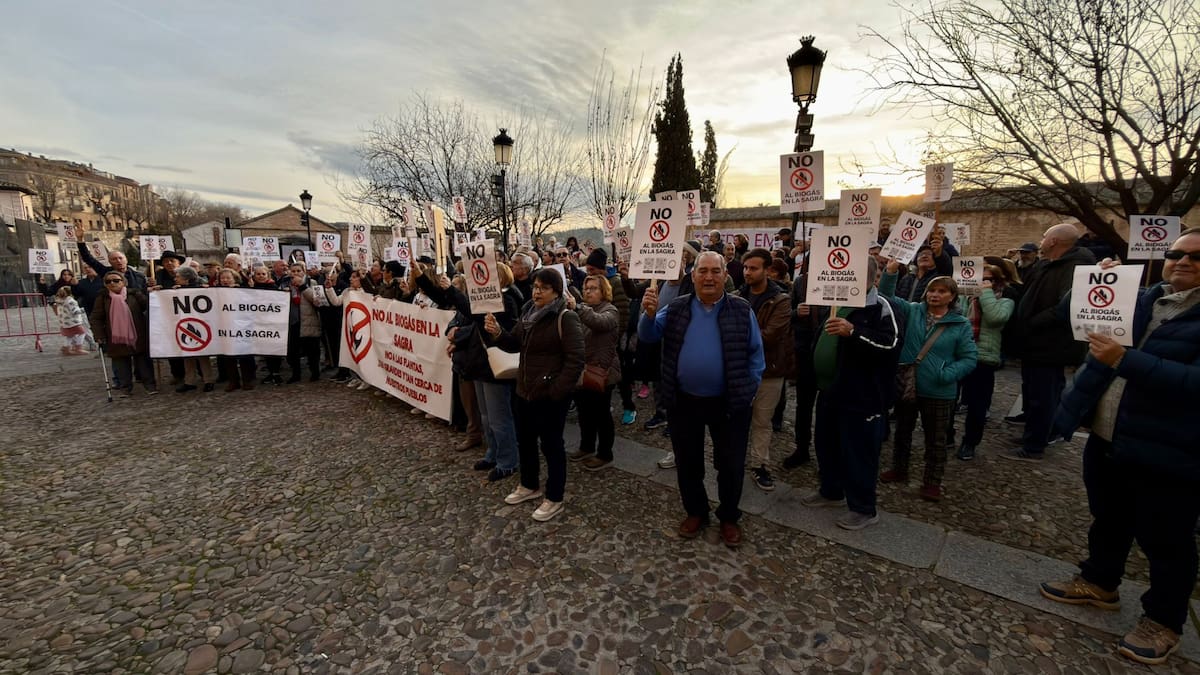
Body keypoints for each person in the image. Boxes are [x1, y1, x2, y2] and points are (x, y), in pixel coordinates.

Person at [1040, 230, 1200, 666]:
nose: (1182, 262)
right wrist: (1100, 284)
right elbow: (1083, 322)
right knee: (1109, 517)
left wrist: (1125, 360)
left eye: (1195, 257)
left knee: (1166, 539)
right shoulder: (1143, 299)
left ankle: (1164, 621)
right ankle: (1100, 581)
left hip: (1171, 446)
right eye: (1175, 254)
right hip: (1112, 433)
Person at [638, 251, 765, 548]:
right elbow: (648, 335)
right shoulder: (678, 307)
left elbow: (756, 355)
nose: (709, 277)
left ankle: (729, 516)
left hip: (729, 403)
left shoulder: (741, 309)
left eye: (715, 271)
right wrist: (648, 313)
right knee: (688, 462)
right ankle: (696, 511)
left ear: (725, 275)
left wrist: (749, 389)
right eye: (702, 271)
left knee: (731, 464)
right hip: (685, 402)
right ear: (692, 276)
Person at [800, 256, 899, 529]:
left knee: (859, 452)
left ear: (869, 278)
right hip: (830, 390)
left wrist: (854, 332)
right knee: (827, 443)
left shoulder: (881, 307)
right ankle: (831, 491)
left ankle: (864, 507)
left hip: (862, 396)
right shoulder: (836, 303)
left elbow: (889, 346)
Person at [484, 269, 585, 522]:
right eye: (535, 286)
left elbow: (576, 360)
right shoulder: (528, 313)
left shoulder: (566, 317)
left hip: (549, 396)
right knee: (525, 441)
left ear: (556, 291)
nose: (536, 292)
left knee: (552, 446)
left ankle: (554, 497)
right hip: (525, 391)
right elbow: (514, 343)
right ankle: (529, 485)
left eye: (543, 288)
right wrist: (497, 333)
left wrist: (556, 390)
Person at [879, 265, 978, 501]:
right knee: (903, 430)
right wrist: (890, 272)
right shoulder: (913, 311)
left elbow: (969, 358)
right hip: (908, 384)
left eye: (942, 291)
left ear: (952, 296)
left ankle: (932, 481)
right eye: (932, 290)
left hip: (939, 390)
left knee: (936, 439)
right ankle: (899, 469)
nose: (935, 295)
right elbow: (887, 296)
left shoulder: (960, 324)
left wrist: (946, 374)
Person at [1001, 223, 1095, 461]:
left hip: (1050, 344)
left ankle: (1034, 446)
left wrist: (1033, 321)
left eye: (1045, 237)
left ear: (1054, 241)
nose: (1041, 240)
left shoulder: (1075, 267)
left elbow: (1066, 305)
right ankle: (1035, 434)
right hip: (1036, 343)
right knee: (1035, 392)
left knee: (1044, 395)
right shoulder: (1051, 264)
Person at [737, 248, 793, 492]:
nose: (748, 272)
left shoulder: (781, 300)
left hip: (769, 370)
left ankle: (759, 465)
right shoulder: (738, 295)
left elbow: (769, 336)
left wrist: (734, 336)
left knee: (762, 420)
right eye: (746, 268)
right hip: (739, 369)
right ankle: (734, 461)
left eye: (753, 268)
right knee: (737, 419)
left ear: (768, 270)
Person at [954, 265, 1015, 460]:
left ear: (996, 282)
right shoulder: (965, 298)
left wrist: (985, 293)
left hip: (983, 357)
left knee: (977, 405)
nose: (982, 282)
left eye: (988, 279)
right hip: (958, 353)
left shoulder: (1005, 301)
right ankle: (946, 435)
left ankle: (970, 442)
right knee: (948, 398)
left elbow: (996, 318)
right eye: (981, 278)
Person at [567, 274, 621, 471]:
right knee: (584, 413)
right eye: (586, 288)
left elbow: (600, 322)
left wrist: (579, 307)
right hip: (582, 370)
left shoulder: (610, 310)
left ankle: (605, 454)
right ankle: (586, 446)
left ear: (604, 291)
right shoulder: (584, 310)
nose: (588, 291)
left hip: (602, 372)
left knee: (601, 415)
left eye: (593, 288)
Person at [91, 272, 157, 396]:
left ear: (123, 282)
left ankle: (150, 385)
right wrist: (99, 335)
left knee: (143, 362)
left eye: (116, 280)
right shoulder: (103, 298)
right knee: (121, 364)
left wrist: (153, 294)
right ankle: (125, 387)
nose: (112, 283)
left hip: (138, 333)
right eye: (108, 281)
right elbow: (96, 318)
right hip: (115, 336)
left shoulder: (134, 294)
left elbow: (149, 306)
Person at [172, 266, 216, 392]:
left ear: (186, 279)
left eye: (178, 277)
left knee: (203, 355)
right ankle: (189, 381)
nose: (176, 279)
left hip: (199, 324)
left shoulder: (201, 288)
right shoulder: (178, 290)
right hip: (185, 324)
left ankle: (208, 380)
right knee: (187, 354)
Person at [77, 240, 148, 292]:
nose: (118, 261)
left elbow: (145, 293)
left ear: (126, 260)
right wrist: (81, 240)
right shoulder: (106, 272)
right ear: (110, 262)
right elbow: (88, 259)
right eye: (114, 259)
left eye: (120, 258)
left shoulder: (139, 276)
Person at [53, 286, 89, 355]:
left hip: (64, 322)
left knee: (69, 336)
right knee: (82, 333)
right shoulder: (71, 301)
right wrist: (83, 309)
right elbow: (75, 312)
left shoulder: (59, 301)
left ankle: (66, 348)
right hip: (73, 322)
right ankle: (78, 348)